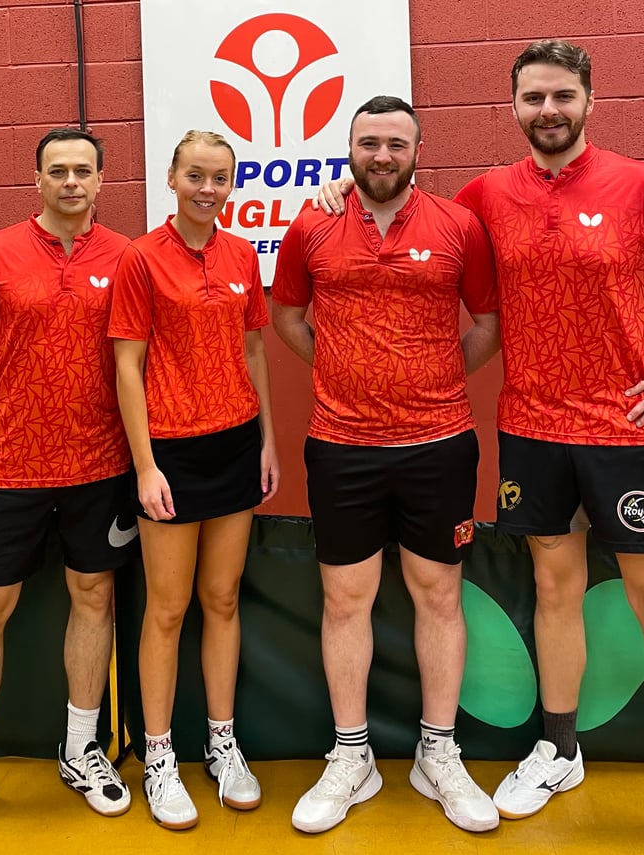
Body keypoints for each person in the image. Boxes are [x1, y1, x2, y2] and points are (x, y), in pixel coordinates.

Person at [317, 38, 644, 855]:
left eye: (563, 95)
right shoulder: (486, 197)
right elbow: (404, 217)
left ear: (590, 101)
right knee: (555, 589)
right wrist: (337, 193)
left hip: (626, 429)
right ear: (515, 106)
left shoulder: (640, 185)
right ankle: (559, 748)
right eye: (533, 97)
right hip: (529, 427)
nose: (548, 111)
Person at [272, 95, 501, 835]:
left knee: (438, 596)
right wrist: (341, 370)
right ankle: (352, 757)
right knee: (346, 600)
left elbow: (489, 324)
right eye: (368, 142)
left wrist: (433, 379)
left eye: (395, 143)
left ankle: (439, 752)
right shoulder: (311, 221)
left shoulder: (458, 224)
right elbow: (286, 317)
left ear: (416, 150)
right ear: (349, 148)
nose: (381, 155)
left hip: (439, 442)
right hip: (341, 445)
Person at [0, 128, 135, 836]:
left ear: (100, 180)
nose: (70, 181)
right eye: (56, 170)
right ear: (36, 179)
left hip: (101, 465)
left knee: (93, 598)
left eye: (82, 170)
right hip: (8, 465)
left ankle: (81, 748)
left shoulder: (126, 257)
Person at [109, 130, 279, 831]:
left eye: (219, 178)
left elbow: (254, 348)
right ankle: (158, 756)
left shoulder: (242, 254)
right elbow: (127, 366)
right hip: (171, 453)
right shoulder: (140, 259)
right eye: (195, 176)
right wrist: (145, 464)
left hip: (236, 444)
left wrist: (267, 439)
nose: (208, 189)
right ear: (172, 178)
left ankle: (222, 741)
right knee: (169, 607)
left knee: (222, 598)